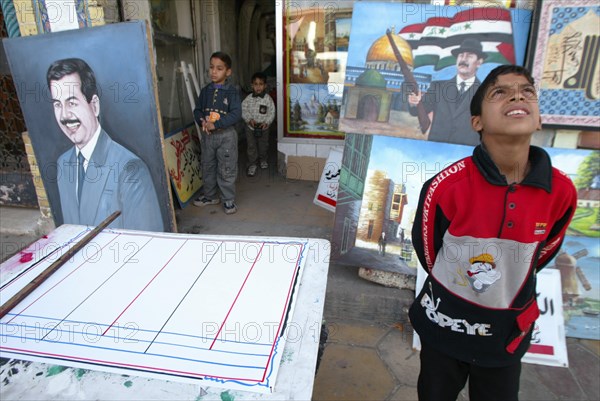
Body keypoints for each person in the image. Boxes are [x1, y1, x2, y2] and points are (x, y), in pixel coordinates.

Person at [409, 65, 578, 401]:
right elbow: (428, 251)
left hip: (506, 332)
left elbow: (542, 254)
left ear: (539, 118)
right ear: (478, 122)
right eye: (499, 92)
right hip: (444, 325)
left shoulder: (561, 192)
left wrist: (503, 290)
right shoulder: (445, 187)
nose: (518, 95)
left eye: (527, 91)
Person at [47, 58, 164, 231]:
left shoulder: (130, 169)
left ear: (94, 106)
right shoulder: (63, 164)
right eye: (58, 104)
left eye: (72, 103)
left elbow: (147, 245)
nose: (64, 115)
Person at [408, 38, 486, 146]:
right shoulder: (438, 87)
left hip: (465, 154)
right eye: (461, 55)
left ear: (479, 62)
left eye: (469, 56)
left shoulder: (486, 93)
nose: (463, 59)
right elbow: (417, 111)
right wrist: (414, 102)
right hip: (435, 149)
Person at [193, 51, 242, 214]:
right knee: (207, 165)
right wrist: (202, 120)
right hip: (208, 137)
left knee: (226, 168)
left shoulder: (232, 92)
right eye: (211, 67)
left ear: (228, 72)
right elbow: (198, 110)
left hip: (226, 136)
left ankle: (228, 199)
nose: (214, 72)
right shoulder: (205, 91)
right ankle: (210, 195)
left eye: (219, 68)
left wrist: (217, 124)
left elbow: (236, 114)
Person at [242, 72, 276, 177]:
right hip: (250, 128)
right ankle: (252, 164)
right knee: (251, 146)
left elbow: (272, 112)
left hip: (263, 127)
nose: (258, 87)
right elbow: (244, 110)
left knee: (263, 145)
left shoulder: (268, 99)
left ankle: (263, 159)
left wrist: (267, 122)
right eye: (255, 84)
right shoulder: (247, 99)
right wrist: (249, 120)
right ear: (252, 85)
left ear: (265, 86)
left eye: (260, 84)